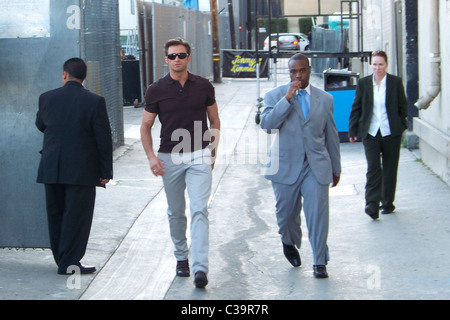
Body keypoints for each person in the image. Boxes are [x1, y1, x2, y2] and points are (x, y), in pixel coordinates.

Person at [140, 38, 220, 288]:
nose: (177, 59)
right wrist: (152, 157)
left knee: (199, 210)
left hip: (199, 154)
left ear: (188, 58)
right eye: (172, 56)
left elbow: (214, 121)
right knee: (176, 212)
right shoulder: (156, 90)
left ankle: (200, 268)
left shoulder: (204, 86)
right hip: (169, 157)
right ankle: (181, 258)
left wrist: (212, 151)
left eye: (181, 55)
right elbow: (145, 125)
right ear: (166, 60)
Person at [260, 53, 341, 278]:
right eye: (293, 72)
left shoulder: (325, 99)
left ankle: (319, 261)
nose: (298, 75)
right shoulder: (275, 95)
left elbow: (331, 135)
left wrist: (336, 166)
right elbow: (267, 125)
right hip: (285, 165)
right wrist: (286, 99)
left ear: (308, 70)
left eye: (302, 71)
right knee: (286, 215)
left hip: (315, 166)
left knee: (317, 213)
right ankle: (288, 241)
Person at [36, 57, 113, 275]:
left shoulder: (46, 98)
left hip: (51, 166)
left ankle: (62, 259)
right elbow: (103, 138)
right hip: (82, 169)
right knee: (77, 217)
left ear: (64, 75)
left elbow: (41, 124)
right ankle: (70, 263)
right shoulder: (95, 101)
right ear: (84, 77)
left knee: (56, 213)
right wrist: (105, 170)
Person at [348, 50, 408, 220]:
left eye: (381, 64)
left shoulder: (395, 82)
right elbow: (356, 108)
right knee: (373, 168)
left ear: (386, 65)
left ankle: (387, 203)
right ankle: (371, 204)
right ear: (371, 65)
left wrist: (401, 126)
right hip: (371, 132)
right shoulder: (364, 83)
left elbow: (403, 106)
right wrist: (353, 130)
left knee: (390, 168)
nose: (377, 68)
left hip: (391, 132)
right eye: (374, 64)